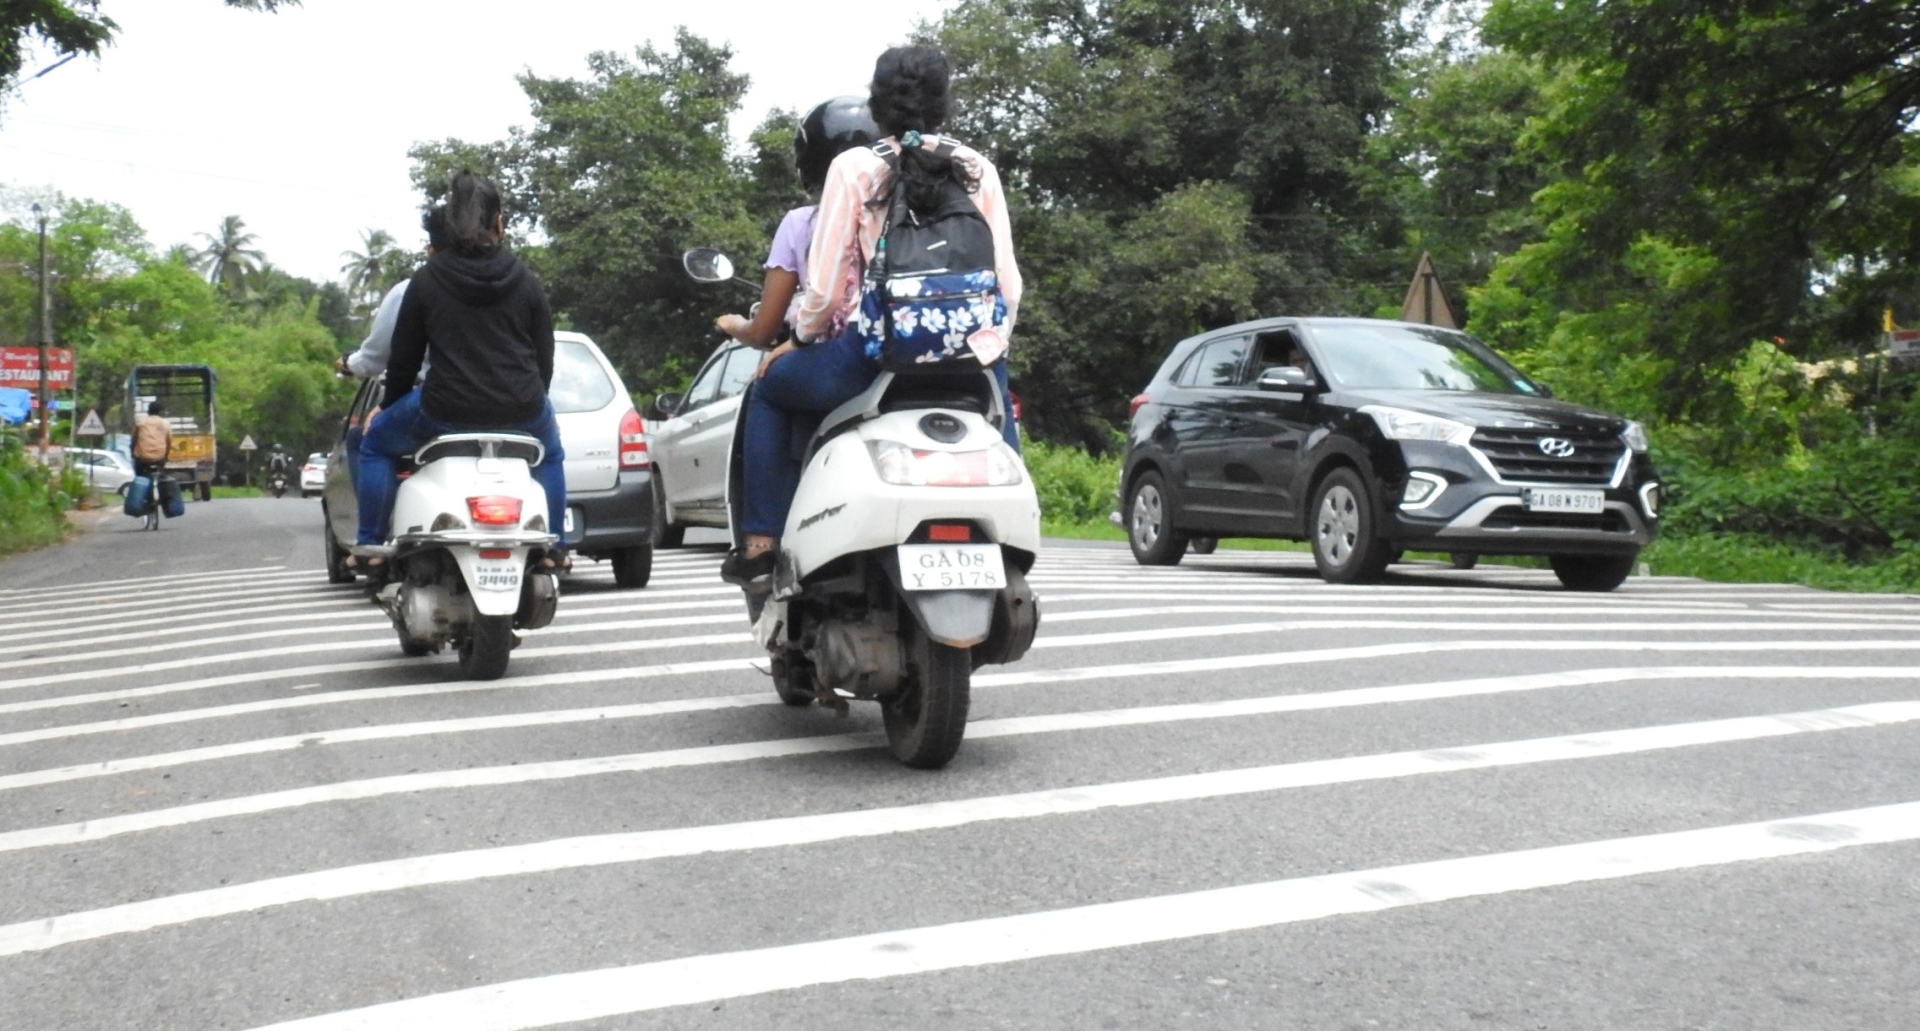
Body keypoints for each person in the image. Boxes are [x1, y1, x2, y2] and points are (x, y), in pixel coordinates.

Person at [723, 45, 1023, 589]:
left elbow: (827, 284)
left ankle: (761, 545)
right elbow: (1008, 281)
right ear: (943, 105)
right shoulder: (977, 167)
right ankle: (1014, 537)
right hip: (970, 361)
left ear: (877, 105)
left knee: (767, 390)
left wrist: (800, 339)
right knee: (999, 415)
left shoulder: (855, 168)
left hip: (874, 358)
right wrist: (991, 342)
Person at [353, 170, 566, 568]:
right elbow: (545, 357)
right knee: (550, 455)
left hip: (444, 412)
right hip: (522, 410)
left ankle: (371, 546)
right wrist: (535, 400)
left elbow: (404, 362)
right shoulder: (525, 279)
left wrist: (388, 407)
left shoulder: (427, 280)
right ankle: (555, 548)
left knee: (375, 443)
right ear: (498, 222)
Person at [715, 96, 879, 379]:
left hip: (842, 362)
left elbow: (764, 331)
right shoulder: (908, 210)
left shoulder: (801, 223)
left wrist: (733, 324)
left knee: (764, 387)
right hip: (915, 351)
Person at [130, 401, 171, 479]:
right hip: (159, 459)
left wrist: (132, 453)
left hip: (143, 459)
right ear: (160, 412)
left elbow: (134, 440)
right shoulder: (166, 424)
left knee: (140, 476)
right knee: (161, 476)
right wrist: (165, 457)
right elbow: (169, 443)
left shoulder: (141, 423)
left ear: (148, 411)